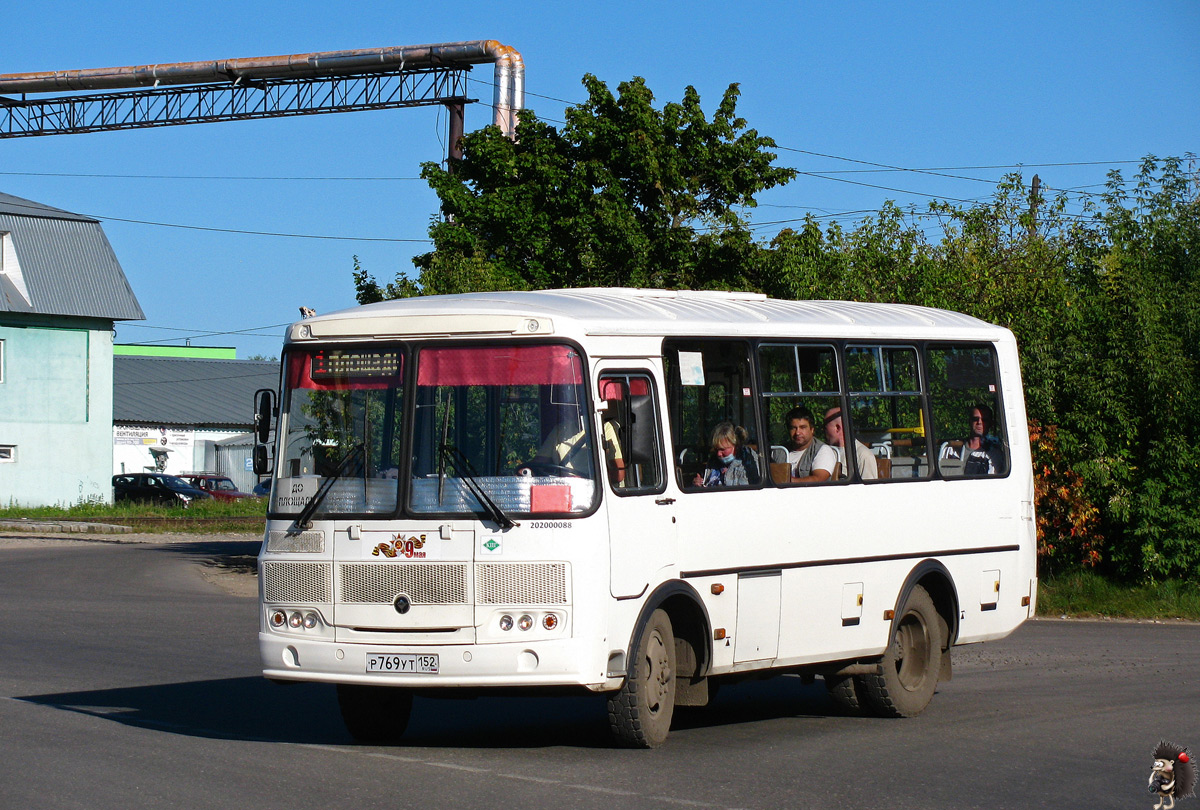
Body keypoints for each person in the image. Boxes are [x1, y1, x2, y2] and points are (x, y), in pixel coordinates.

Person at [940, 403, 1005, 475]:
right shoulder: (950, 449)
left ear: (990, 424)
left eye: (984, 420)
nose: (979, 422)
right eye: (975, 419)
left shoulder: (993, 454)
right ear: (969, 421)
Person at [693, 422, 759, 487]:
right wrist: (698, 484)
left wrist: (727, 476)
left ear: (736, 446)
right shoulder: (713, 461)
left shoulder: (749, 463)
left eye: (723, 449)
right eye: (717, 449)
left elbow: (746, 491)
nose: (719, 454)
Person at [784, 407, 837, 483]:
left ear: (812, 429)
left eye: (803, 427)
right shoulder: (779, 451)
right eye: (793, 428)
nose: (797, 433)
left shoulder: (822, 450)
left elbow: (818, 479)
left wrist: (788, 482)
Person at [823, 407, 878, 480]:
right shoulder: (825, 452)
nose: (824, 432)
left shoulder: (863, 455)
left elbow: (868, 489)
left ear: (837, 428)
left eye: (825, 428)